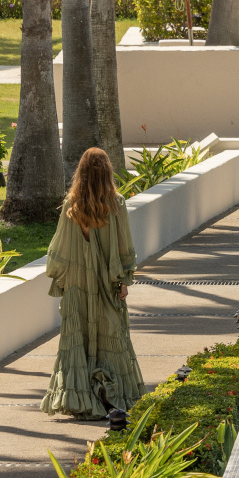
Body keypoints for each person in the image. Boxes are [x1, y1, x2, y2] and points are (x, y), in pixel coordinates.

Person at [41, 147, 146, 419]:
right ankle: (111, 396)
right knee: (111, 338)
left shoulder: (71, 206)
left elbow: (60, 248)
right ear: (108, 172)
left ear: (81, 174)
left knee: (81, 341)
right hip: (105, 284)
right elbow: (124, 246)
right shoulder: (117, 204)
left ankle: (83, 399)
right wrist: (124, 280)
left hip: (77, 285)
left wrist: (60, 279)